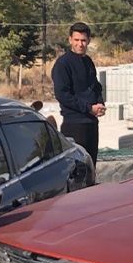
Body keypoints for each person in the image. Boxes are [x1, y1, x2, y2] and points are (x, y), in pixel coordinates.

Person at [52, 22, 104, 161]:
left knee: (91, 167)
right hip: (74, 125)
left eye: (83, 40)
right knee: (77, 170)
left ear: (88, 41)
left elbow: (96, 86)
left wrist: (99, 103)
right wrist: (88, 108)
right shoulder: (63, 64)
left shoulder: (88, 62)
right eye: (76, 40)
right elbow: (62, 94)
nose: (80, 44)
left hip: (91, 124)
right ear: (70, 40)